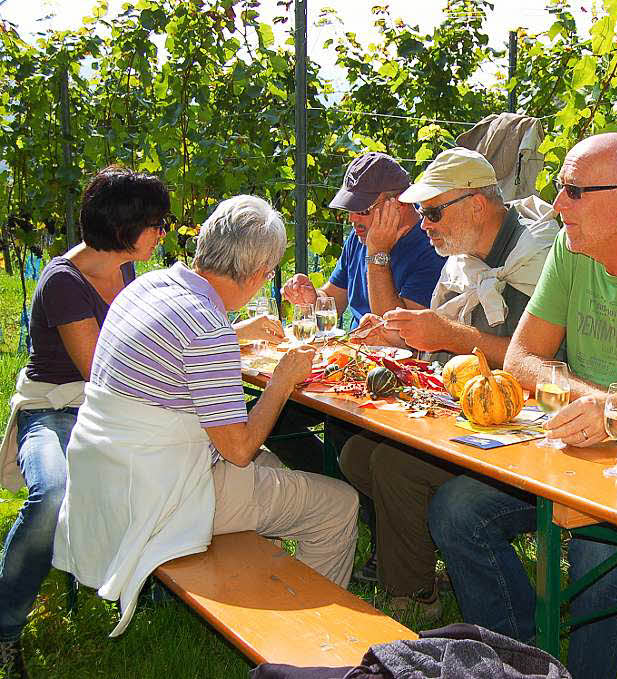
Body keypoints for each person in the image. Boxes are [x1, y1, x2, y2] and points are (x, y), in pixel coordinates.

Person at [428, 133, 617, 679]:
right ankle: (521, 658)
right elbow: (522, 358)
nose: (555, 205)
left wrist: (612, 412)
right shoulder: (569, 249)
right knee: (456, 510)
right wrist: (598, 403)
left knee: (598, 551)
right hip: (573, 441)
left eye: (572, 190)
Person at [51, 195, 360, 636]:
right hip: (159, 498)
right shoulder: (206, 329)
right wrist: (283, 380)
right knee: (338, 504)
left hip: (106, 475)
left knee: (271, 465)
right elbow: (237, 449)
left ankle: (261, 595)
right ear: (258, 275)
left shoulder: (146, 287)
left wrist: (234, 335)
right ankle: (308, 640)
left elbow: (173, 357)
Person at [340, 148, 561, 618]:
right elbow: (446, 336)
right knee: (359, 454)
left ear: (477, 204)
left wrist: (444, 335)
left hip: (530, 429)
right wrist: (409, 332)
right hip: (477, 416)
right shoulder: (464, 261)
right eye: (420, 212)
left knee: (395, 464)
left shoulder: (539, 259)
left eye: (433, 211)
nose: (424, 225)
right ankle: (424, 570)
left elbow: (535, 361)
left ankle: (414, 596)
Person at [0, 167, 170, 677]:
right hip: (54, 409)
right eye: (156, 223)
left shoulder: (124, 270)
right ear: (124, 228)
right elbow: (101, 371)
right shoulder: (63, 282)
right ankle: (5, 628)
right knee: (52, 493)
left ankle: (151, 579)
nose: (163, 233)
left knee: (181, 460)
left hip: (107, 408)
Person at [270, 153, 446, 473]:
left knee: (345, 438)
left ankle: (351, 497)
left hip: (391, 380)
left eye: (363, 209)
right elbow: (333, 301)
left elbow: (397, 335)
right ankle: (341, 493)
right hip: (348, 365)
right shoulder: (359, 236)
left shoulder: (429, 246)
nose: (354, 219)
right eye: (351, 208)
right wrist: (311, 296)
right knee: (271, 416)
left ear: (400, 203)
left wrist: (378, 253)